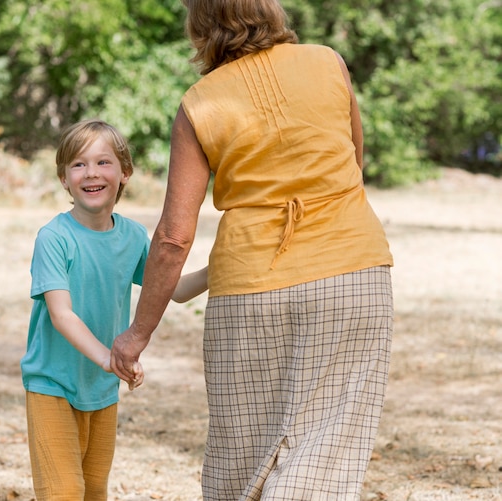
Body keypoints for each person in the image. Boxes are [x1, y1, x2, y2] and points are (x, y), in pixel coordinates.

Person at [111, 0, 394, 499]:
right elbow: (354, 159)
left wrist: (137, 334)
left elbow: (175, 237)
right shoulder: (328, 62)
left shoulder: (199, 103)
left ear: (200, 25)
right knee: (323, 454)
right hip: (353, 271)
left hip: (250, 288)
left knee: (241, 458)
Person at [20, 119, 148, 501]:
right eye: (78, 164)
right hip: (52, 385)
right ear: (63, 178)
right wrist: (111, 359)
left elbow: (171, 289)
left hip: (102, 391)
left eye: (103, 162)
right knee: (63, 493)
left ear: (125, 172)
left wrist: (221, 267)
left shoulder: (134, 236)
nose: (91, 173)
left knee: (93, 492)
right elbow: (62, 315)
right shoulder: (54, 238)